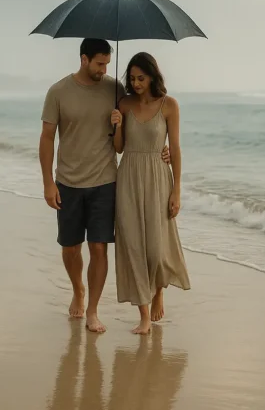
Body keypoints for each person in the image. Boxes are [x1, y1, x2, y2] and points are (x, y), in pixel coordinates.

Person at [39, 38, 171, 333]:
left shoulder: (116, 91)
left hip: (106, 181)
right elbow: (47, 137)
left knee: (99, 247)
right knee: (70, 247)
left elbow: (144, 122)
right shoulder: (58, 92)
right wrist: (48, 182)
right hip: (69, 182)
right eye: (99, 63)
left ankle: (93, 311)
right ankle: (78, 290)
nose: (105, 69)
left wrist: (166, 150)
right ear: (84, 59)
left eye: (108, 63)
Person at [111, 51, 191, 335]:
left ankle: (158, 291)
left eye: (141, 78)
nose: (136, 83)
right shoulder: (124, 103)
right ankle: (144, 315)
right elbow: (119, 148)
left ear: (153, 76)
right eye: (131, 79)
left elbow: (176, 148)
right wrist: (118, 124)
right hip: (129, 177)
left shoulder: (169, 105)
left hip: (159, 178)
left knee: (156, 249)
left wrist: (177, 189)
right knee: (133, 246)